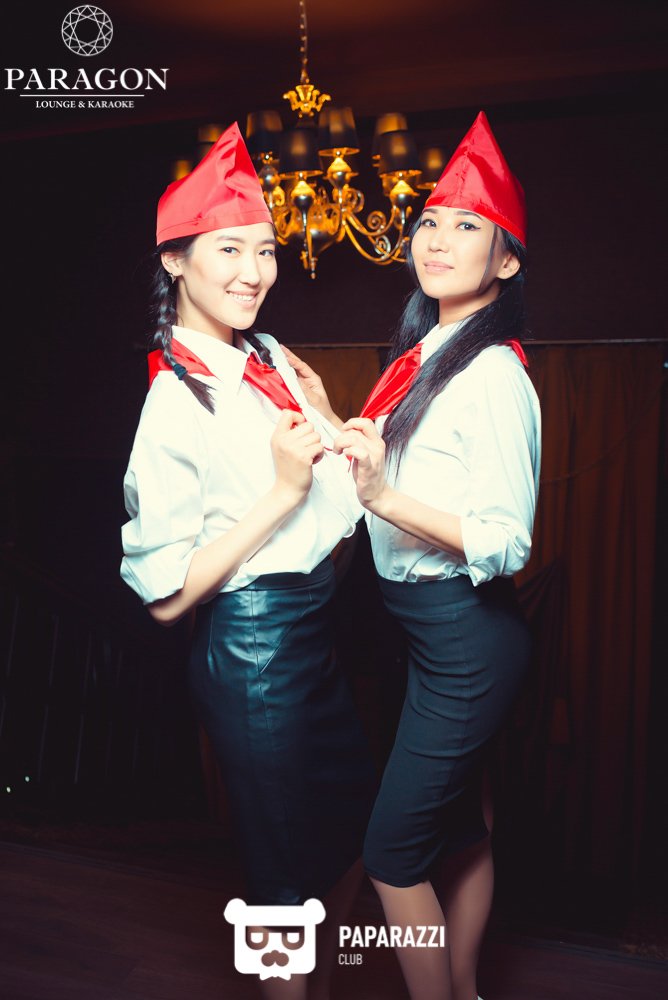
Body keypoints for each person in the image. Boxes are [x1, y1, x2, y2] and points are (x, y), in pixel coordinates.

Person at [284, 111, 541, 1000]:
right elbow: (377, 476)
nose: (436, 239)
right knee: (461, 833)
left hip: (466, 637)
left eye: (467, 226)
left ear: (505, 262)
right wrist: (328, 414)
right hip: (424, 635)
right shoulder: (427, 355)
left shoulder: (492, 373)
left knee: (393, 855)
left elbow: (506, 539)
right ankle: (464, 987)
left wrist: (385, 496)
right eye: (429, 220)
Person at [120, 122, 374, 1000]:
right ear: (175, 262)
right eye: (228, 249)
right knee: (281, 875)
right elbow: (164, 598)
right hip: (255, 647)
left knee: (353, 837)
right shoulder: (172, 403)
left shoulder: (263, 356)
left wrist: (333, 421)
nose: (254, 271)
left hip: (317, 626)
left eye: (265, 250)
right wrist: (279, 493)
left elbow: (336, 491)